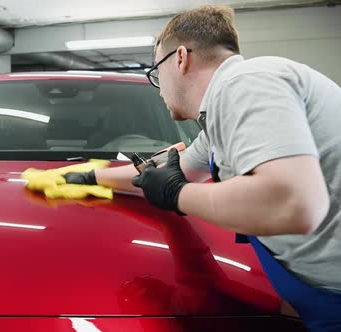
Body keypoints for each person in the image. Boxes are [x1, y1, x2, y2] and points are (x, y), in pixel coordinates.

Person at [64, 5, 341, 331]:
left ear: (180, 58)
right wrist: (91, 176)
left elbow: (295, 203)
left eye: (156, 73)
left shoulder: (245, 83)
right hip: (319, 299)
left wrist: (177, 195)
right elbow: (176, 167)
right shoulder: (224, 115)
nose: (160, 89)